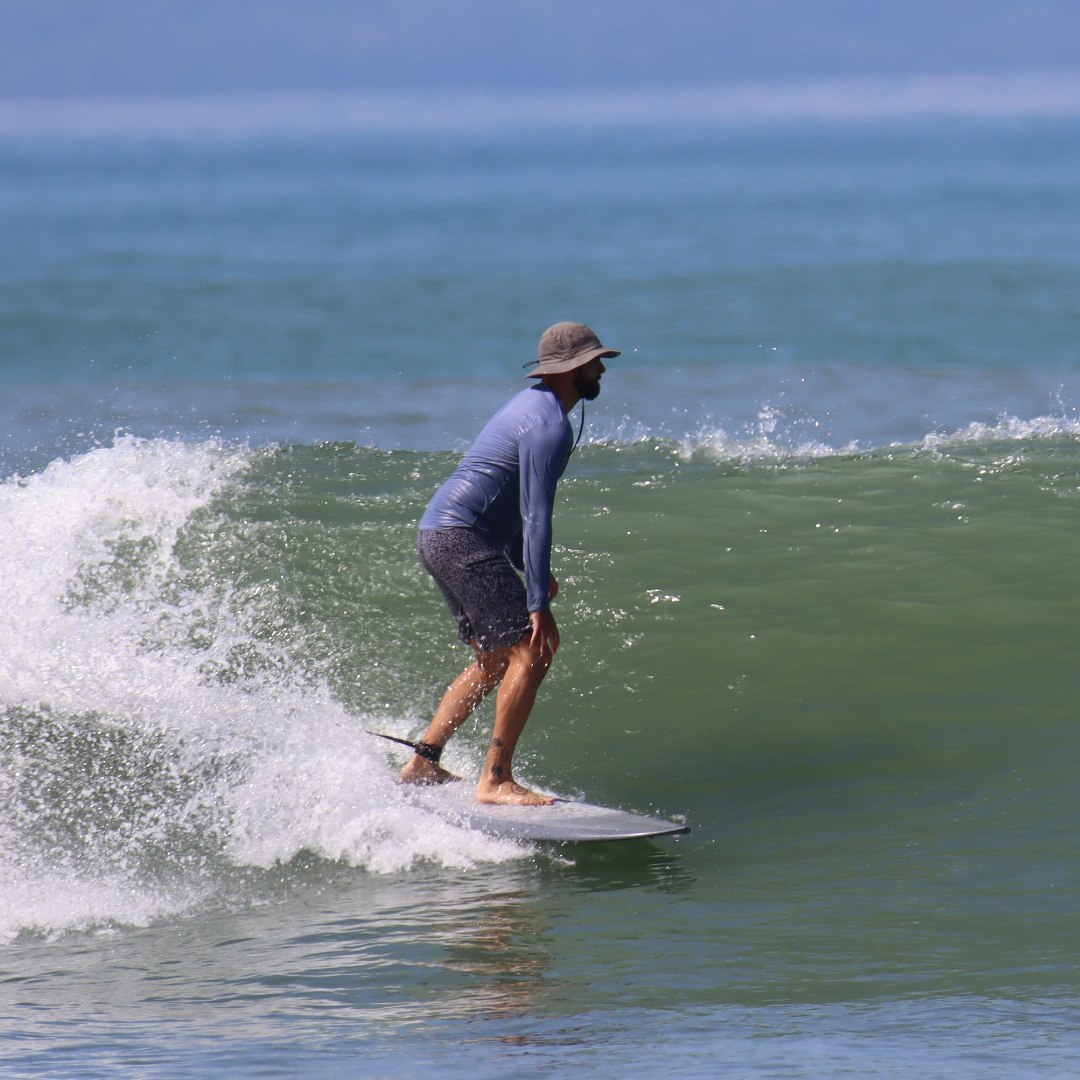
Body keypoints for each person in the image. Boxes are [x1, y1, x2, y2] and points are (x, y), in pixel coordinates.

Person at [402, 322, 619, 805]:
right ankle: (495, 779)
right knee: (533, 650)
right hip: (462, 537)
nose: (601, 369)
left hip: (438, 533)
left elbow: (510, 505)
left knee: (497, 656)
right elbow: (535, 514)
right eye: (593, 362)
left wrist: (526, 567)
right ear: (571, 369)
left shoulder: (532, 409)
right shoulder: (549, 426)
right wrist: (537, 599)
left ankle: (422, 762)